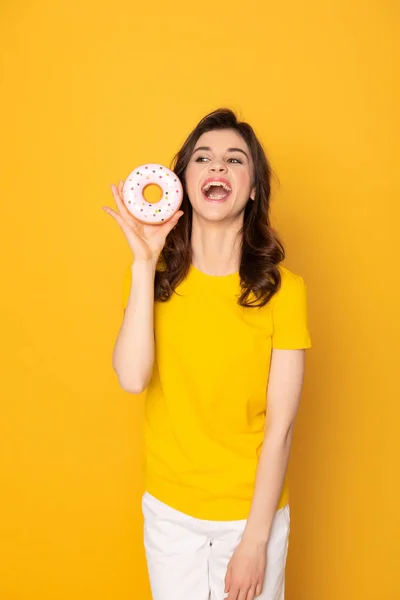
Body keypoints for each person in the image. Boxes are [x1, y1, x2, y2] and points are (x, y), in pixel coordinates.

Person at [103, 108, 311, 600]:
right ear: (184, 182)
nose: (217, 167)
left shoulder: (286, 290)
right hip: (171, 516)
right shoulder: (152, 281)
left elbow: (280, 426)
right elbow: (132, 379)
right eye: (203, 158)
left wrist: (255, 542)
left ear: (254, 187)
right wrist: (142, 262)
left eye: (235, 160)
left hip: (252, 515)